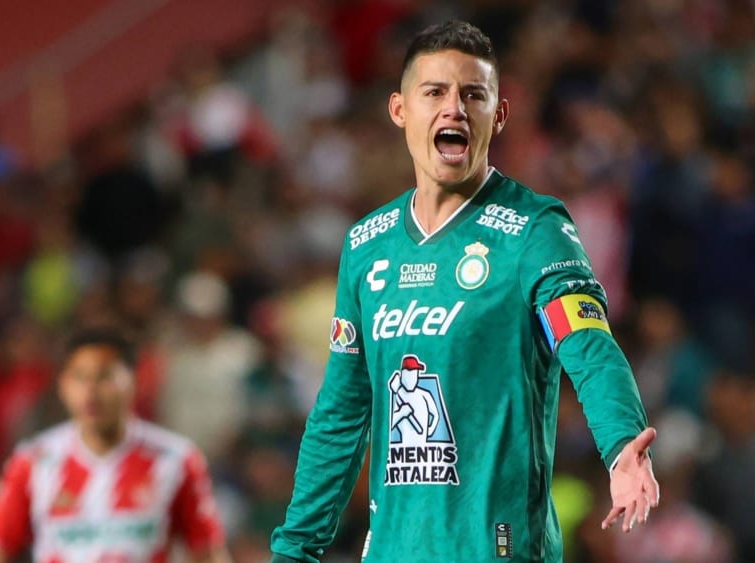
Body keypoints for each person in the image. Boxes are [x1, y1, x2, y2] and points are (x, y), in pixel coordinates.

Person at [269, 20, 659, 562]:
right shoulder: (366, 246)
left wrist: (621, 446)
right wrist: (294, 550)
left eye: (473, 94)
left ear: (497, 115)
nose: (454, 108)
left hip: (496, 548)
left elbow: (586, 342)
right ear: (400, 109)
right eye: (434, 92)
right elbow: (340, 413)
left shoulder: (533, 230)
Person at [0, 327, 231, 563]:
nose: (90, 392)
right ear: (62, 386)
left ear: (134, 382)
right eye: (79, 377)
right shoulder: (33, 460)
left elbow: (207, 554)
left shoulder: (175, 459)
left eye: (105, 377)